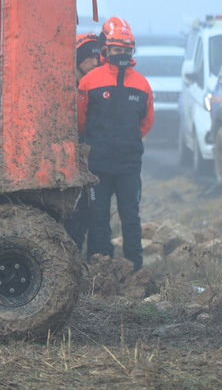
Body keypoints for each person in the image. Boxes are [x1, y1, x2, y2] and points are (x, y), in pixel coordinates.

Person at [77, 16, 154, 270]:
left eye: (126, 50)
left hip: (129, 165)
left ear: (132, 51)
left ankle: (134, 268)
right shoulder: (90, 81)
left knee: (130, 216)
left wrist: (128, 142)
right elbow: (80, 119)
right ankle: (99, 267)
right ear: (106, 49)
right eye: (117, 49)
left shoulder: (142, 84)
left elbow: (146, 122)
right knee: (98, 217)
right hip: (97, 165)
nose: (121, 54)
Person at [64, 32, 101, 251]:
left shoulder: (96, 87)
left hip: (91, 160)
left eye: (97, 57)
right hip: (67, 162)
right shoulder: (64, 87)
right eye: (89, 57)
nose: (95, 62)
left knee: (88, 213)